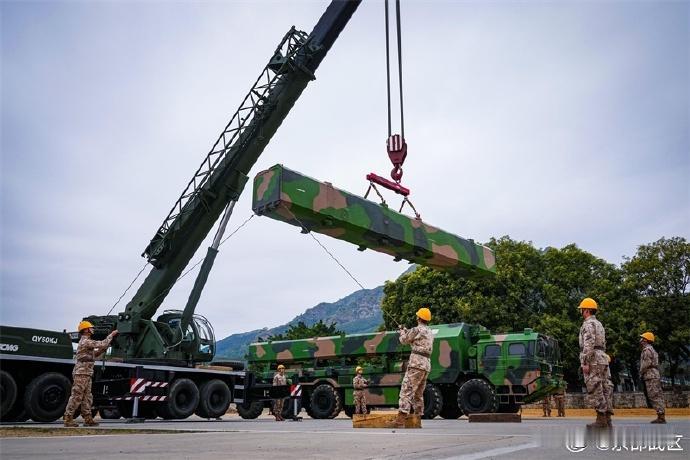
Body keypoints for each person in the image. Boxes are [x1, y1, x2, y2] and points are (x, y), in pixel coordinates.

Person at [63, 320, 118, 427]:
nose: (93, 329)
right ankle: (68, 418)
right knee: (77, 396)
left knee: (87, 397)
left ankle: (88, 419)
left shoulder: (87, 342)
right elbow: (102, 343)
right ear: (86, 330)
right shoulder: (85, 341)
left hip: (86, 373)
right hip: (81, 373)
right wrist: (111, 335)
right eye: (91, 328)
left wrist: (102, 351)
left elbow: (93, 355)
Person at [394, 307, 433, 428]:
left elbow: (404, 340)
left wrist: (402, 332)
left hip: (416, 363)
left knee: (406, 389)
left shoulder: (416, 330)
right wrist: (407, 331)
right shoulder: (430, 332)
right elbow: (417, 342)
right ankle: (417, 419)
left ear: (419, 318)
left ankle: (400, 419)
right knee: (418, 393)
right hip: (426, 364)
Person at [577, 297, 611, 428]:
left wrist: (585, 361)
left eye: (581, 310)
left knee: (595, 387)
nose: (581, 312)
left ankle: (601, 419)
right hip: (602, 356)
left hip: (593, 359)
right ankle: (607, 418)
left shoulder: (588, 324)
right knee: (605, 387)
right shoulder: (599, 324)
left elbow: (589, 343)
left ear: (586, 311)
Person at [639, 332, 666, 424]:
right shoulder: (652, 350)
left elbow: (646, 364)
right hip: (654, 374)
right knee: (657, 394)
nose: (640, 340)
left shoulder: (646, 350)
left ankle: (661, 416)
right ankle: (661, 415)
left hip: (650, 375)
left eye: (642, 338)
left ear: (645, 340)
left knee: (654, 395)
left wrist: (641, 372)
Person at [605, 354, 615, 425]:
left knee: (605, 400)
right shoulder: (605, 357)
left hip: (605, 382)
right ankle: (608, 419)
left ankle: (605, 418)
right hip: (608, 382)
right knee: (608, 400)